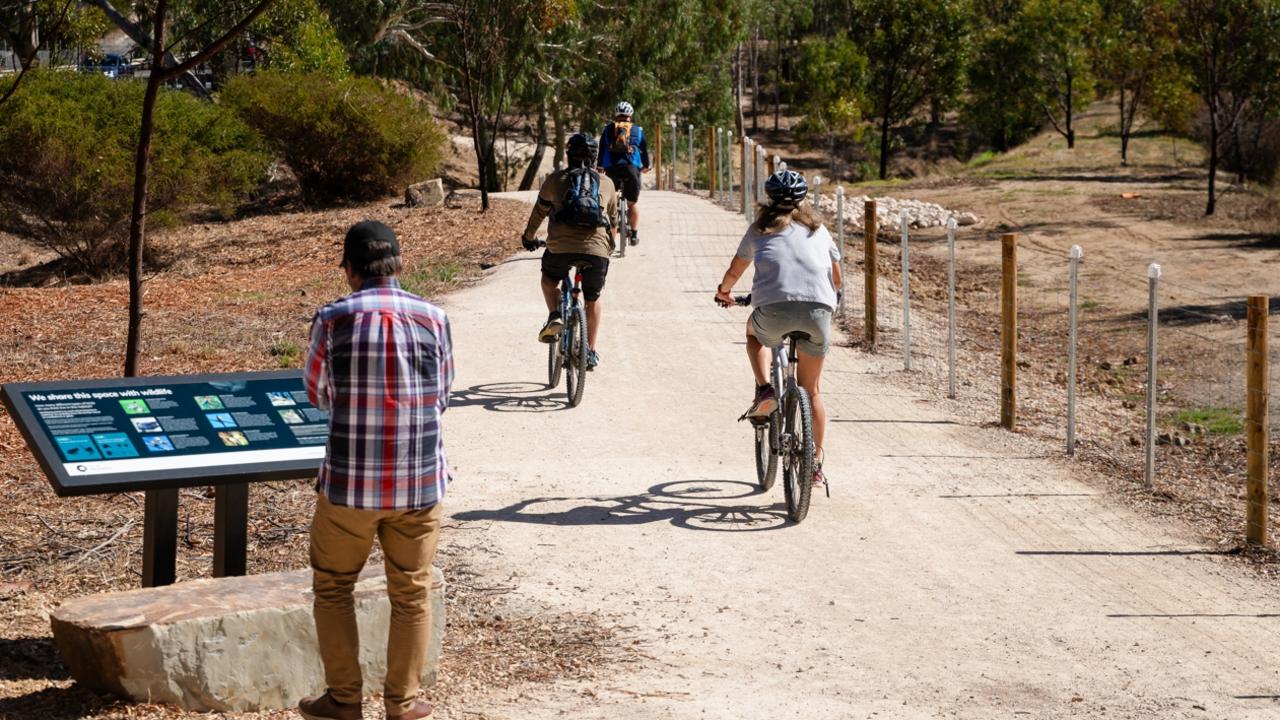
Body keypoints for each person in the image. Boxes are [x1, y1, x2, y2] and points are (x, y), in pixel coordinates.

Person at [298, 220, 452, 720]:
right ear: (399, 265)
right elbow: (443, 395)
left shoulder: (333, 319)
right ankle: (402, 705)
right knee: (411, 591)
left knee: (333, 586)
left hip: (349, 485)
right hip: (420, 482)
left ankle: (344, 701)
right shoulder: (434, 317)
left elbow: (317, 393)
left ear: (349, 270)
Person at [714, 170, 842, 486]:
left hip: (772, 310)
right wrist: (827, 303)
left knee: (753, 334)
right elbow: (837, 278)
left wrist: (724, 291)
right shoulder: (819, 229)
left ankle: (765, 389)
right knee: (811, 391)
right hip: (818, 312)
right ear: (802, 200)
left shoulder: (760, 229)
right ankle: (813, 464)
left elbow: (736, 268)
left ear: (769, 199)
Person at [521, 131, 618, 370]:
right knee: (592, 298)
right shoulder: (606, 183)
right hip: (597, 252)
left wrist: (528, 237)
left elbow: (538, 214)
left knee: (549, 280)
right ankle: (590, 351)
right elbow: (614, 223)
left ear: (568, 154)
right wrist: (608, 248)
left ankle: (555, 314)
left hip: (560, 248)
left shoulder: (555, 180)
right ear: (596, 157)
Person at [596, 101, 650, 244]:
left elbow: (602, 150)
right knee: (632, 204)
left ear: (616, 116)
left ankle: (610, 236)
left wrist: (600, 166)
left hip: (612, 169)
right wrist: (646, 166)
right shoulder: (638, 130)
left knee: (610, 203)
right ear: (630, 116)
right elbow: (644, 151)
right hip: (631, 169)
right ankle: (634, 235)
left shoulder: (608, 130)